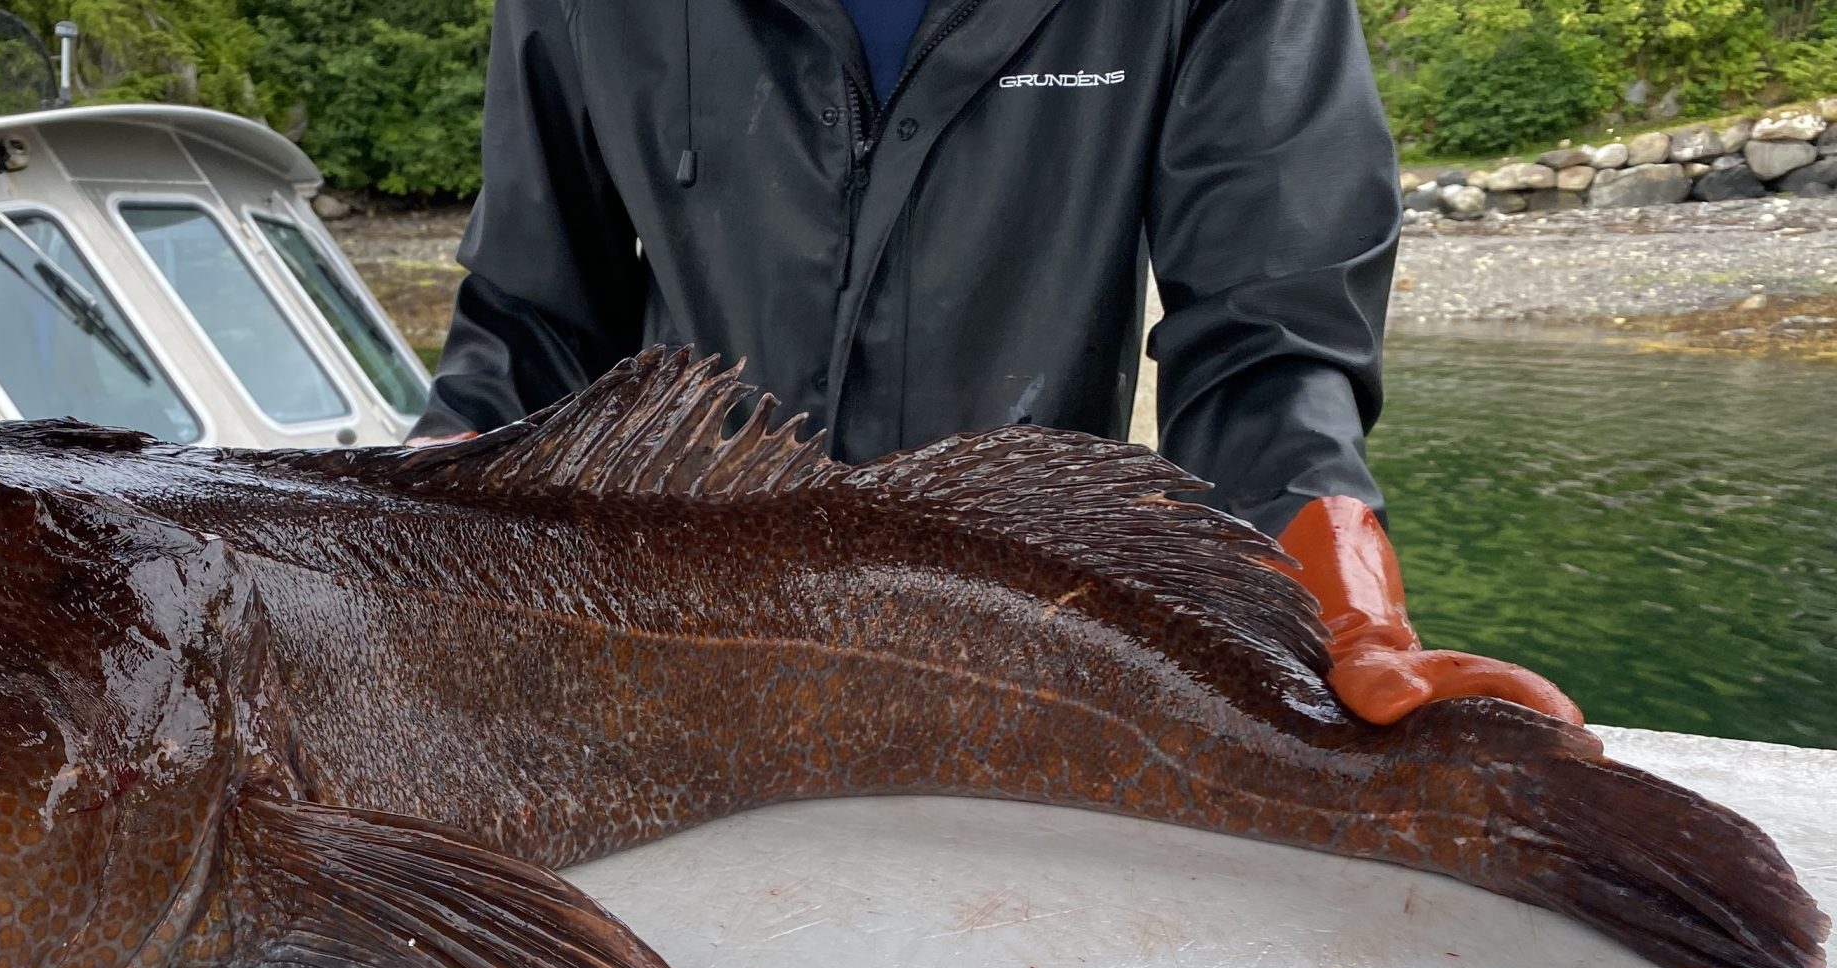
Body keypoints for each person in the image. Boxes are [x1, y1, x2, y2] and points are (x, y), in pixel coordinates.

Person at [410, 0, 1579, 727]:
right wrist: (404, 542)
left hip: (1045, 663)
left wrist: (1324, 578)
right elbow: (531, 324)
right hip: (663, 661)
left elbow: (1267, 325)